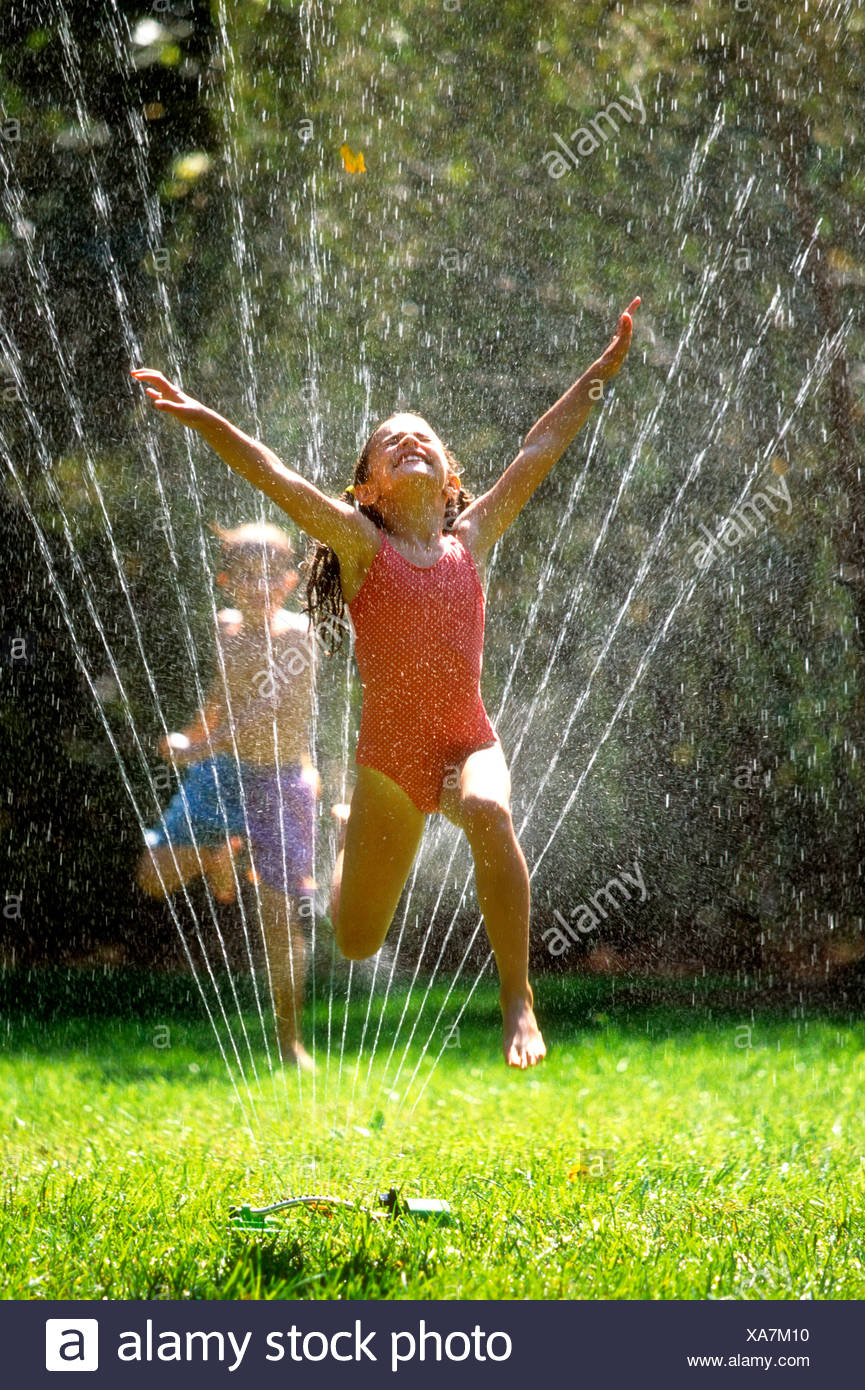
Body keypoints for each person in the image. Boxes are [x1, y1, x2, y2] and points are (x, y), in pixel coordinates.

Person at [130, 296, 639, 1068]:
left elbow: (538, 450)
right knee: (356, 935)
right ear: (365, 490)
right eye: (387, 442)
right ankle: (342, 837)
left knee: (487, 811)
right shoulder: (362, 546)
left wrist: (600, 373)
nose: (406, 441)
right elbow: (274, 476)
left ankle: (517, 999)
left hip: (468, 737)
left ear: (448, 477)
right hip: (388, 767)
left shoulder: (472, 538)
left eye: (421, 438)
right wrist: (203, 418)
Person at [135, 521, 319, 1071]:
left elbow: (260, 713)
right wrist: (192, 736)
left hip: (282, 780)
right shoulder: (225, 629)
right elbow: (222, 699)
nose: (259, 588)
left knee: (278, 916)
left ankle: (290, 1043)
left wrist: (197, 749)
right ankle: (223, 848)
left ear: (289, 583)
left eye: (270, 578)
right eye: (246, 579)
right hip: (224, 770)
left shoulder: (301, 638)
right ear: (226, 583)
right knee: (153, 876)